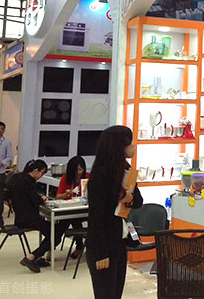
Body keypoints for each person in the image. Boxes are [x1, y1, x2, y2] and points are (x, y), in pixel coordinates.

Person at [86, 126, 143, 299]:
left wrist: (128, 198)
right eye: (129, 142)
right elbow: (96, 217)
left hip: (119, 241)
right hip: (102, 246)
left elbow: (138, 201)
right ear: (118, 146)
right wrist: (101, 253)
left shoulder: (125, 170)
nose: (133, 145)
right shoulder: (100, 175)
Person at [13, 159, 69, 272]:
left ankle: (37, 256)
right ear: (35, 171)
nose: (41, 176)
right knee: (55, 235)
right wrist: (42, 198)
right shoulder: (28, 182)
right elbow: (35, 200)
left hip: (22, 216)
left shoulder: (20, 178)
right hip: (29, 218)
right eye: (42, 173)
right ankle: (32, 257)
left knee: (53, 232)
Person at [56, 155, 89, 258]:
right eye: (76, 170)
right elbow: (58, 197)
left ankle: (81, 246)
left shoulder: (88, 177)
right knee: (70, 221)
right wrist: (66, 194)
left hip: (85, 209)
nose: (79, 172)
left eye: (81, 169)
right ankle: (79, 246)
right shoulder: (65, 178)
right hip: (69, 210)